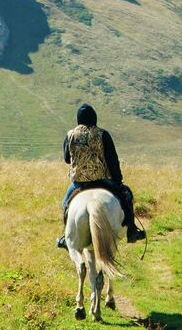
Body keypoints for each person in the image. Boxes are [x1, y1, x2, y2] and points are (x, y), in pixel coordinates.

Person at [58, 103, 145, 248]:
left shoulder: (70, 135)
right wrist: (118, 180)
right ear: (94, 118)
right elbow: (112, 159)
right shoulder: (102, 134)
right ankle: (131, 230)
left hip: (79, 183)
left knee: (65, 204)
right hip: (103, 181)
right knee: (126, 196)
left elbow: (67, 159)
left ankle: (67, 238)